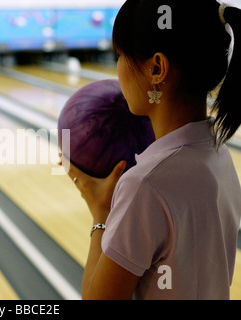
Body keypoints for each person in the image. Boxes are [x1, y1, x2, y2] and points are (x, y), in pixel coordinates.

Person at [61, 0, 241, 299]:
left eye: (120, 56)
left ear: (157, 68)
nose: (116, 71)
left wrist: (100, 215)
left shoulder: (144, 185)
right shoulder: (219, 155)